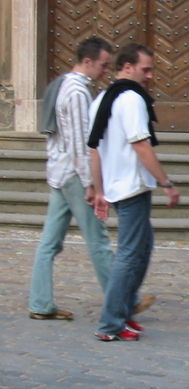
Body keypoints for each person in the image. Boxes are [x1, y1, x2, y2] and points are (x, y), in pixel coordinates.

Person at [87, 43, 180, 341]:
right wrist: (166, 183)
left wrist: (100, 189)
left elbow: (95, 149)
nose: (150, 76)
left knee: (141, 248)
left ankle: (123, 312)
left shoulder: (103, 98)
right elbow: (141, 145)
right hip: (130, 186)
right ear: (127, 67)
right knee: (130, 255)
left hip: (117, 185)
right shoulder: (130, 99)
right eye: (146, 69)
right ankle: (111, 322)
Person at [28, 37, 115, 320]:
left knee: (50, 242)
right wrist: (92, 183)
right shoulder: (76, 92)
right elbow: (81, 143)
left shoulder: (61, 84)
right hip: (74, 175)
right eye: (103, 65)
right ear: (87, 61)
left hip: (59, 171)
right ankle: (121, 300)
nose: (106, 71)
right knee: (97, 239)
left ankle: (40, 303)